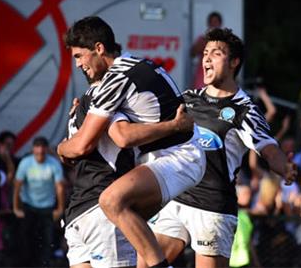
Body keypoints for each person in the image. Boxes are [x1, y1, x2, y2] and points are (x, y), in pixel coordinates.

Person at [57, 16, 205, 268]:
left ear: (99, 48)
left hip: (178, 156)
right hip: (164, 158)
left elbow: (100, 142)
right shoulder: (133, 65)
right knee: (132, 235)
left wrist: (60, 147)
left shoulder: (116, 79)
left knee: (111, 202)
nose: (79, 64)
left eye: (79, 56)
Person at [143, 28, 297, 268]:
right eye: (205, 53)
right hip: (177, 197)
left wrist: (284, 167)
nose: (206, 58)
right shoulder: (188, 98)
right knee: (147, 264)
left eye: (215, 53)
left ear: (234, 62)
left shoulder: (245, 110)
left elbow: (268, 148)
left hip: (212, 208)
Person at [13, 136, 65, 267]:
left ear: (46, 150)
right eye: (37, 152)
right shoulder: (26, 163)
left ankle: (44, 264)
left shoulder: (53, 163)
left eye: (42, 152)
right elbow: (17, 186)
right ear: (33, 151)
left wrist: (60, 208)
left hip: (47, 205)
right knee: (26, 237)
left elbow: (60, 187)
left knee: (47, 239)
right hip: (28, 204)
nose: (40, 155)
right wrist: (16, 207)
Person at [190, 11, 222, 89]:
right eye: (212, 22)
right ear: (208, 24)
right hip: (202, 78)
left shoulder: (225, 41)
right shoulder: (203, 39)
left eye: (216, 22)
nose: (214, 25)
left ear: (220, 24)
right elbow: (192, 53)